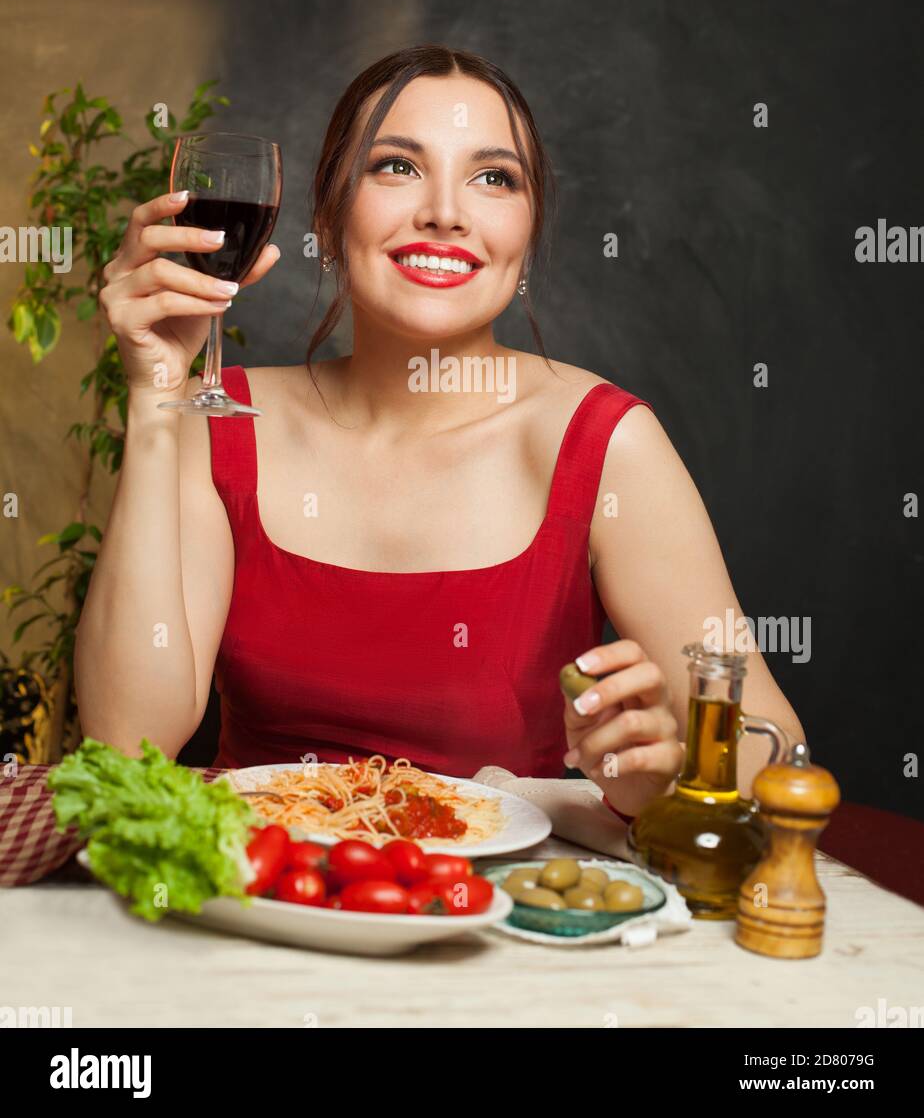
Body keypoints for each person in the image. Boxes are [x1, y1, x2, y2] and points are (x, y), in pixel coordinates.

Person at [75, 44, 804, 819]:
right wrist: (156, 392)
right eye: (396, 166)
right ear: (328, 209)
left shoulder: (605, 443)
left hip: (507, 927)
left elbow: (778, 751)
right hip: (262, 905)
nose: (446, 213)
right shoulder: (219, 423)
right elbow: (126, 749)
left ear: (526, 229)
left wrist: (662, 773)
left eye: (494, 178)